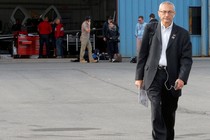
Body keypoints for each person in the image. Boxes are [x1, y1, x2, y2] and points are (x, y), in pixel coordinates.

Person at [135, 1, 192, 140]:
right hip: (153, 75)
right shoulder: (151, 28)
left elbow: (186, 59)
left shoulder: (182, 34)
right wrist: (139, 76)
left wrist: (182, 78)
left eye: (169, 12)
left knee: (168, 114)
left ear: (174, 14)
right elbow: (142, 54)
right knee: (156, 109)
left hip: (172, 78)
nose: (166, 14)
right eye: (164, 12)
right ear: (159, 13)